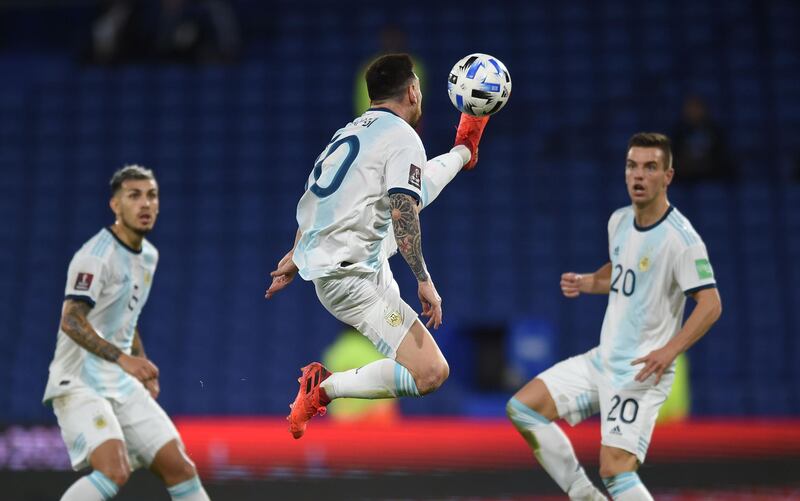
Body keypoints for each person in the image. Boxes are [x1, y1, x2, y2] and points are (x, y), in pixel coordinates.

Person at [266, 53, 490, 439]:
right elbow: (405, 214)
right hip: (352, 279)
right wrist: (423, 279)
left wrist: (296, 254)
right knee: (431, 373)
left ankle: (463, 149)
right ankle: (322, 389)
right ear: (413, 91)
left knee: (413, 190)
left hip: (359, 253)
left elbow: (319, 199)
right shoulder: (402, 138)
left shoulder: (349, 133)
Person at [506, 133, 722, 500]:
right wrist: (589, 282)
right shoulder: (620, 221)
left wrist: (669, 351)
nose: (639, 175)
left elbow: (711, 304)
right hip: (603, 360)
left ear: (667, 176)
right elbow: (625, 270)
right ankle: (583, 495)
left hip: (639, 371)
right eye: (632, 166)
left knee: (616, 469)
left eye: (650, 167)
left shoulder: (681, 240)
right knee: (523, 408)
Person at [43, 165, 211, 501]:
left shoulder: (148, 256)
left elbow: (126, 318)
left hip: (119, 382)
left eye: (151, 195)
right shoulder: (95, 256)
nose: (145, 204)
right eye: (134, 196)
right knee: (113, 469)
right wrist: (124, 360)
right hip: (77, 383)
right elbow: (71, 320)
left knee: (181, 468)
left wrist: (141, 363)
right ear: (115, 206)